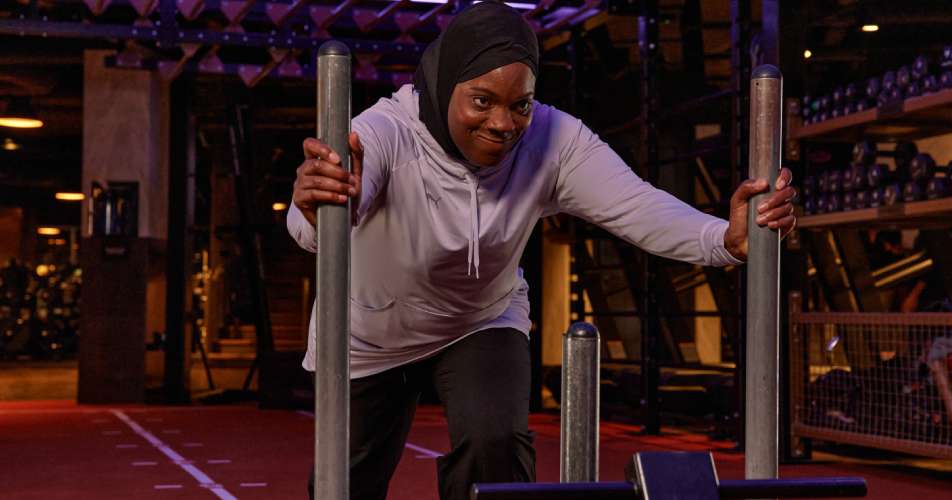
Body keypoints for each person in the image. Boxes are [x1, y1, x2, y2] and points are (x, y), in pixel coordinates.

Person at [287, 2, 796, 499]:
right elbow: (321, 225)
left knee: (497, 447)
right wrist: (316, 208)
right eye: (482, 101)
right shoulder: (385, 133)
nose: (504, 124)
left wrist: (723, 240)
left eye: (520, 104)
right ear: (444, 87)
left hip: (478, 319)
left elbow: (636, 205)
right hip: (371, 334)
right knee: (345, 483)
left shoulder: (555, 141)